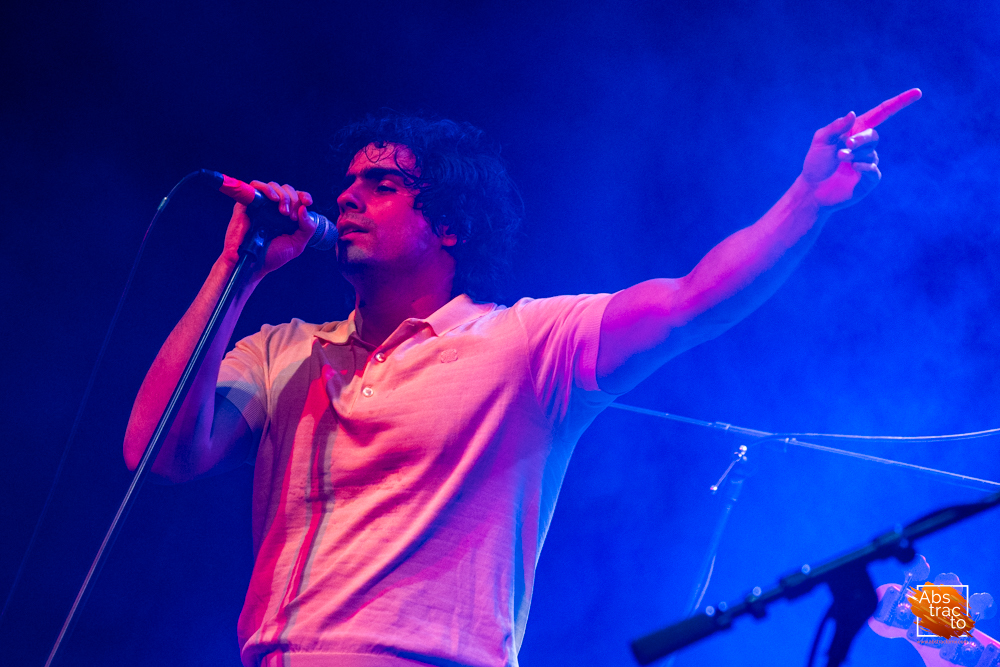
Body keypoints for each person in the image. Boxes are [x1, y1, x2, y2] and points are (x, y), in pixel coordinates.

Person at [123, 89, 921, 667]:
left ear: (449, 225)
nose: (347, 197)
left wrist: (806, 201)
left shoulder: (525, 343)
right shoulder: (284, 350)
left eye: (383, 186)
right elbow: (157, 452)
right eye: (349, 184)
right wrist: (236, 268)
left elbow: (691, 302)